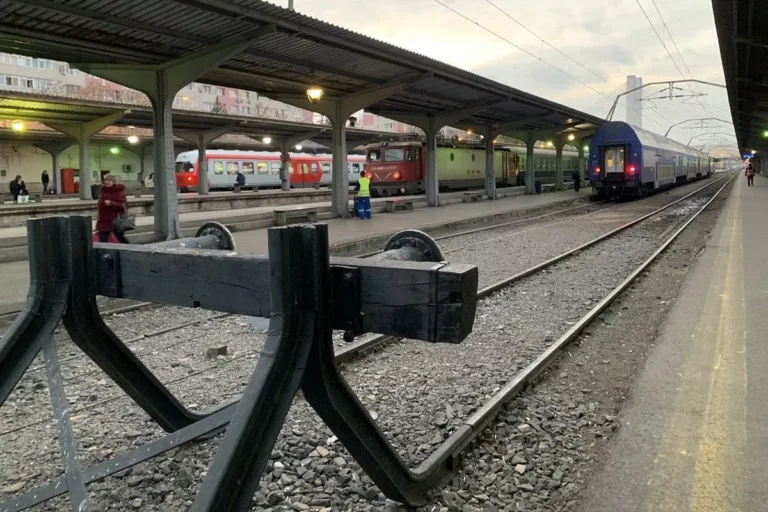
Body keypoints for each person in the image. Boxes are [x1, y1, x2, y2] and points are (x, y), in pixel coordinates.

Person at [96, 174, 129, 243]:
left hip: (116, 221)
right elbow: (101, 203)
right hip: (104, 220)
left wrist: (111, 203)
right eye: (106, 180)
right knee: (103, 239)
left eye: (109, 180)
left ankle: (130, 250)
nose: (107, 182)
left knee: (120, 238)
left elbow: (123, 206)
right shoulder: (103, 190)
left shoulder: (119, 191)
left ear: (113, 182)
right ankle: (103, 253)